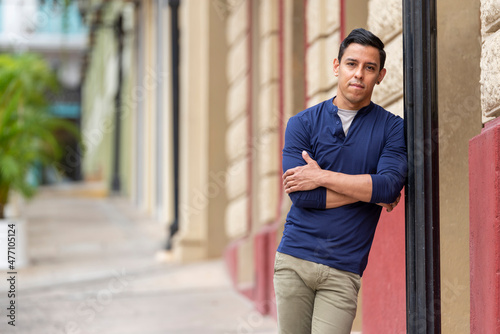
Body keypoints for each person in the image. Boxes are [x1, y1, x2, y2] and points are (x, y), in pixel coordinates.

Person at [274, 28, 407, 334]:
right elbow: (302, 196)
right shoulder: (301, 124)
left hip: (343, 269)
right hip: (295, 259)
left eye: (369, 68)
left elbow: (388, 187)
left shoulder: (391, 129)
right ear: (337, 66)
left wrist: (320, 176)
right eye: (351, 64)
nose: (359, 74)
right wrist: (369, 190)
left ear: (381, 75)